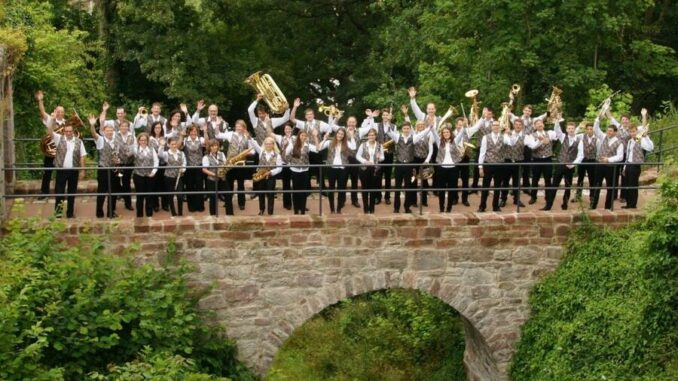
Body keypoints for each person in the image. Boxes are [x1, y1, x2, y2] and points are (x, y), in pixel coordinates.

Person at [46, 114, 87, 218]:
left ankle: (70, 213)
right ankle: (58, 214)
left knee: (71, 193)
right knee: (59, 193)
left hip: (73, 171)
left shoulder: (79, 141)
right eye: (67, 131)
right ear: (64, 131)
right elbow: (50, 131)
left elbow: (82, 156)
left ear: (73, 132)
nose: (68, 133)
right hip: (61, 171)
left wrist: (82, 170)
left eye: (70, 131)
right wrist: (52, 120)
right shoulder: (59, 138)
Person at [214, 120, 257, 215]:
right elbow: (217, 135)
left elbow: (253, 151)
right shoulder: (230, 134)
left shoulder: (247, 137)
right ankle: (228, 203)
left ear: (244, 127)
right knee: (229, 184)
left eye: (240, 126)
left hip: (241, 164)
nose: (238, 128)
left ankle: (241, 203)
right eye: (237, 126)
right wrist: (217, 125)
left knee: (241, 185)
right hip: (230, 163)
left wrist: (246, 152)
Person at [387, 121, 429, 213]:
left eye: (408, 128)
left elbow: (423, 133)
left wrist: (430, 127)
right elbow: (389, 131)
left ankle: (407, 207)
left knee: (408, 187)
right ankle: (396, 208)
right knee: (397, 188)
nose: (406, 130)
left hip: (409, 165)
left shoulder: (413, 138)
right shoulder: (398, 137)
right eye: (404, 128)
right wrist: (389, 121)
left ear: (410, 129)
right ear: (402, 129)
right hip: (399, 165)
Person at [290, 97, 331, 188]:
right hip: (305, 150)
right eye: (307, 115)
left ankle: (322, 188)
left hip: (317, 149)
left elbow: (330, 128)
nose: (309, 116)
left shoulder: (320, 123)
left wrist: (326, 135)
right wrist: (295, 107)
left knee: (319, 169)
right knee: (306, 169)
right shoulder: (303, 124)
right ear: (305, 116)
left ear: (313, 115)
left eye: (311, 114)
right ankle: (307, 188)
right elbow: (292, 118)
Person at [543, 121, 584, 210]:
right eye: (569, 128)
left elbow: (581, 155)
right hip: (560, 165)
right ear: (566, 129)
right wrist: (557, 121)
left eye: (572, 128)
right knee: (554, 186)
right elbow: (557, 130)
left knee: (567, 187)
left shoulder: (579, 141)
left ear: (575, 129)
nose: (571, 130)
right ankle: (548, 206)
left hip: (570, 167)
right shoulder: (563, 137)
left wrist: (573, 164)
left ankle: (565, 204)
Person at [359, 108, 397, 205]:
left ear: (390, 116)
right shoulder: (376, 125)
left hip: (389, 153)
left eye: (387, 115)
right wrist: (370, 117)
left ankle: (387, 197)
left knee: (388, 176)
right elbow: (367, 126)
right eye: (384, 115)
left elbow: (395, 139)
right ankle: (378, 196)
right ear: (382, 116)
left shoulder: (394, 126)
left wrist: (389, 127)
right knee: (378, 176)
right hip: (378, 154)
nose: (385, 116)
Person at [477, 121, 513, 212]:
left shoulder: (504, 137)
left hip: (500, 165)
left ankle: (495, 206)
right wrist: (480, 167)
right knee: (485, 186)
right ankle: (482, 206)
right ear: (491, 127)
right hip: (488, 164)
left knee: (498, 186)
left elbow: (511, 143)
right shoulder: (486, 137)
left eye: (498, 125)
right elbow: (482, 152)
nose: (496, 127)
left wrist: (509, 134)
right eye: (494, 125)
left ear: (500, 127)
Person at [89, 114, 119, 218]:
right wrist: (92, 125)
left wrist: (117, 160)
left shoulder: (116, 141)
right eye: (108, 130)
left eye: (111, 130)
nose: (110, 132)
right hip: (103, 169)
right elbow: (93, 134)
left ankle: (111, 211)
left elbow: (117, 155)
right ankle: (99, 212)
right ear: (104, 131)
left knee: (113, 192)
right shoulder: (101, 140)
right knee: (102, 191)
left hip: (114, 169)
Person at [318, 128, 355, 214]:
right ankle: (332, 209)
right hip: (331, 168)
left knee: (341, 189)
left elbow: (354, 147)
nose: (340, 135)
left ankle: (338, 209)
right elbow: (319, 148)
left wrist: (352, 136)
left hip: (342, 169)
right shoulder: (330, 142)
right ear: (336, 134)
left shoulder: (347, 143)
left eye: (342, 134)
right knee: (331, 189)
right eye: (339, 133)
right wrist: (324, 139)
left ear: (344, 135)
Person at [591, 116, 624, 210]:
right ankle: (593, 206)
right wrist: (598, 118)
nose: (608, 132)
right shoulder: (603, 137)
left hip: (611, 167)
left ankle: (608, 207)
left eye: (610, 131)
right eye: (608, 130)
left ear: (615, 132)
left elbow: (620, 156)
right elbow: (596, 129)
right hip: (600, 165)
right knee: (596, 185)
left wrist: (609, 159)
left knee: (610, 188)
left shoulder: (619, 143)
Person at [35, 90, 63, 200]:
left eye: (62, 112)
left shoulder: (66, 122)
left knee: (60, 173)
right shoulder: (50, 119)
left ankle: (59, 193)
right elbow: (42, 112)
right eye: (58, 111)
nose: (60, 113)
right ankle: (44, 192)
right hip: (49, 150)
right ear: (55, 111)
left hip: (60, 151)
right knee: (47, 172)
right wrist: (40, 100)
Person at [329, 115, 361, 209]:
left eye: (353, 122)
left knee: (354, 180)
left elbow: (371, 127)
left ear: (356, 123)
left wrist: (371, 118)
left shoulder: (360, 131)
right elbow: (332, 125)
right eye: (350, 122)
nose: (351, 123)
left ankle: (354, 200)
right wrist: (337, 118)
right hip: (345, 159)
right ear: (347, 122)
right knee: (343, 181)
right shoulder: (342, 130)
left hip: (355, 159)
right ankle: (341, 200)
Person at [285, 130, 319, 215]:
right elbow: (286, 153)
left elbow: (317, 149)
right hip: (295, 170)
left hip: (304, 170)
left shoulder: (308, 145)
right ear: (299, 136)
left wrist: (315, 137)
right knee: (295, 191)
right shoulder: (293, 144)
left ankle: (303, 209)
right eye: (302, 135)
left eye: (305, 136)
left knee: (304, 191)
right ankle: (296, 210)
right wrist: (289, 163)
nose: (303, 137)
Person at [431, 125, 464, 212]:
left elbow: (461, 133)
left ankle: (449, 208)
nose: (446, 134)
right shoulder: (439, 142)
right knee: (441, 189)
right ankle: (441, 208)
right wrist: (431, 126)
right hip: (442, 168)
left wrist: (464, 126)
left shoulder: (455, 141)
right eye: (444, 132)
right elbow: (434, 132)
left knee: (452, 189)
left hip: (453, 168)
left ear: (450, 133)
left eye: (447, 132)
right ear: (442, 134)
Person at [525, 119, 558, 205]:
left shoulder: (550, 133)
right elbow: (533, 147)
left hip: (547, 159)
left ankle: (548, 198)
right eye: (537, 124)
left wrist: (557, 121)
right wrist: (541, 141)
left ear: (543, 125)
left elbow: (559, 134)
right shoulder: (531, 136)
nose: (540, 125)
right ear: (534, 126)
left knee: (548, 179)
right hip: (537, 160)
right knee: (535, 179)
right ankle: (533, 197)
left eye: (541, 123)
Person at [622, 125, 654, 209]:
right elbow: (628, 155)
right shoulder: (629, 141)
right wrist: (625, 167)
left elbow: (650, 148)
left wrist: (645, 137)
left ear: (637, 131)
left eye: (634, 131)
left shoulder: (641, 140)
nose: (632, 133)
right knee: (628, 185)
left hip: (635, 165)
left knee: (633, 185)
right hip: (628, 164)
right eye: (631, 132)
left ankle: (632, 205)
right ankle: (628, 204)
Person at [251, 136, 283, 215]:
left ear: (273, 145)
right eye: (266, 144)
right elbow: (254, 144)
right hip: (261, 177)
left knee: (270, 194)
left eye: (270, 144)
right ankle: (261, 209)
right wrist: (249, 137)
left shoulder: (277, 155)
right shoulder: (261, 152)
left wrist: (271, 172)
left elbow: (280, 168)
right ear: (264, 145)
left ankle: (270, 211)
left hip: (271, 177)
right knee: (261, 193)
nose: (268, 145)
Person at [356, 128, 384, 214]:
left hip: (375, 169)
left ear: (375, 136)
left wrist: (380, 157)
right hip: (364, 169)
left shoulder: (379, 145)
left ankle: (372, 209)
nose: (371, 136)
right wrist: (365, 161)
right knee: (365, 189)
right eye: (369, 135)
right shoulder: (363, 145)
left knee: (373, 189)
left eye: (373, 135)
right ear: (367, 136)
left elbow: (383, 157)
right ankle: (365, 208)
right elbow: (357, 156)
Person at [500, 119, 527, 208]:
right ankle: (503, 199)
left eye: (520, 125)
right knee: (505, 181)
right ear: (513, 125)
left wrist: (540, 141)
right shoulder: (507, 134)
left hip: (518, 161)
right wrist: (508, 134)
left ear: (522, 126)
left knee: (517, 182)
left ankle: (516, 199)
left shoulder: (525, 136)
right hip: (507, 160)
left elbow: (533, 145)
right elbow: (507, 143)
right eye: (516, 124)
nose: (518, 126)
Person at [467, 108, 495, 194]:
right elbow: (474, 129)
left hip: (491, 149)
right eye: (486, 113)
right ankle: (474, 187)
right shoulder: (480, 121)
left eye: (489, 113)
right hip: (480, 146)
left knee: (490, 168)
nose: (488, 115)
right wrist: (481, 119)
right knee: (476, 167)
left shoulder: (495, 123)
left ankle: (489, 186)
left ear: (492, 114)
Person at [132, 133, 159, 217]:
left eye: (145, 140)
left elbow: (156, 161)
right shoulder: (135, 149)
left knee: (149, 196)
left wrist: (153, 172)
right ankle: (139, 215)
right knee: (140, 196)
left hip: (150, 175)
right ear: (138, 141)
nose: (143, 141)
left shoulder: (152, 149)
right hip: (138, 175)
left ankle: (149, 214)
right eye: (141, 140)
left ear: (147, 141)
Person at [158, 137, 186, 216]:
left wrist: (183, 169)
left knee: (180, 196)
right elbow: (160, 154)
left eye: (175, 144)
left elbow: (184, 163)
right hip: (169, 177)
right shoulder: (167, 154)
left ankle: (180, 213)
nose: (174, 146)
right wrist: (162, 145)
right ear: (169, 145)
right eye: (172, 144)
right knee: (170, 195)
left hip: (178, 177)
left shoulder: (181, 153)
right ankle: (173, 212)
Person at [182, 125, 207, 213]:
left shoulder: (201, 139)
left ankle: (200, 206)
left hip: (199, 166)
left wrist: (206, 132)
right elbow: (178, 147)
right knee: (189, 186)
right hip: (188, 167)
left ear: (197, 132)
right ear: (189, 132)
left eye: (195, 131)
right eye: (191, 131)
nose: (193, 133)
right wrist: (181, 136)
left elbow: (207, 144)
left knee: (199, 186)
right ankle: (191, 206)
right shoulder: (185, 140)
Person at [114, 120, 136, 211]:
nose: (124, 128)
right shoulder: (115, 136)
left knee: (126, 183)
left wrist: (132, 152)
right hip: (118, 164)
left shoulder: (132, 136)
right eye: (122, 126)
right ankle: (120, 195)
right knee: (116, 182)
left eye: (126, 126)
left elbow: (135, 147)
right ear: (119, 127)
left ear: (128, 127)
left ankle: (128, 204)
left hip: (128, 164)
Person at [411, 120, 434, 207]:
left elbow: (431, 150)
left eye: (422, 125)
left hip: (424, 160)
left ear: (424, 126)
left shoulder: (429, 134)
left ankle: (424, 201)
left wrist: (427, 160)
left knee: (425, 181)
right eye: (418, 124)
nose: (420, 126)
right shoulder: (413, 134)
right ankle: (413, 201)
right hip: (414, 160)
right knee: (413, 180)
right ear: (416, 125)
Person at [574, 122, 598, 204]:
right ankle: (578, 196)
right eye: (588, 129)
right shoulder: (581, 136)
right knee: (580, 178)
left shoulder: (597, 138)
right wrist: (579, 127)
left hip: (592, 160)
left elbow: (598, 151)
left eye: (591, 129)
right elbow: (573, 134)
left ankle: (592, 197)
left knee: (592, 179)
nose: (589, 131)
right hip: (583, 160)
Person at [202, 139, 227, 216]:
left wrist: (223, 169)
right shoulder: (206, 157)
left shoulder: (221, 154)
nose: (214, 147)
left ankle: (229, 214)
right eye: (212, 146)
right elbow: (204, 169)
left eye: (216, 145)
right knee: (213, 198)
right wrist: (214, 174)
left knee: (228, 195)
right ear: (209, 147)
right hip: (212, 180)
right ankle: (213, 214)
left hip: (222, 179)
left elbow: (225, 164)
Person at [149, 121, 169, 212]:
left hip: (163, 164)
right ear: (153, 129)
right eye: (156, 127)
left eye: (159, 128)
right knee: (154, 185)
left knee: (164, 185)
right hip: (153, 165)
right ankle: (155, 204)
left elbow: (167, 151)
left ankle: (165, 204)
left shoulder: (165, 138)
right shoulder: (150, 139)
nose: (158, 129)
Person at [452, 117, 472, 207]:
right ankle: (455, 198)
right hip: (455, 159)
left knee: (465, 180)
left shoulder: (467, 132)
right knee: (454, 179)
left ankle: (465, 199)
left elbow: (477, 125)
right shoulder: (451, 133)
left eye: (462, 125)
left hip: (465, 158)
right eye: (459, 125)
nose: (461, 126)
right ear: (456, 125)